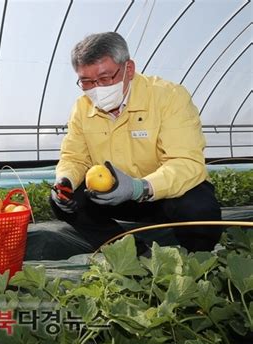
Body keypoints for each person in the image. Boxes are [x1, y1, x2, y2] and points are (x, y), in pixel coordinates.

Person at [50, 31, 222, 255]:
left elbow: (186, 162)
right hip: (113, 196)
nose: (97, 89)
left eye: (105, 78)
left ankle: (197, 261)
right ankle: (133, 254)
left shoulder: (169, 96)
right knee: (63, 201)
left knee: (199, 207)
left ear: (128, 69)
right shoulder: (82, 108)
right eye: (87, 81)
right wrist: (65, 181)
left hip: (162, 195)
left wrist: (139, 188)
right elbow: (75, 157)